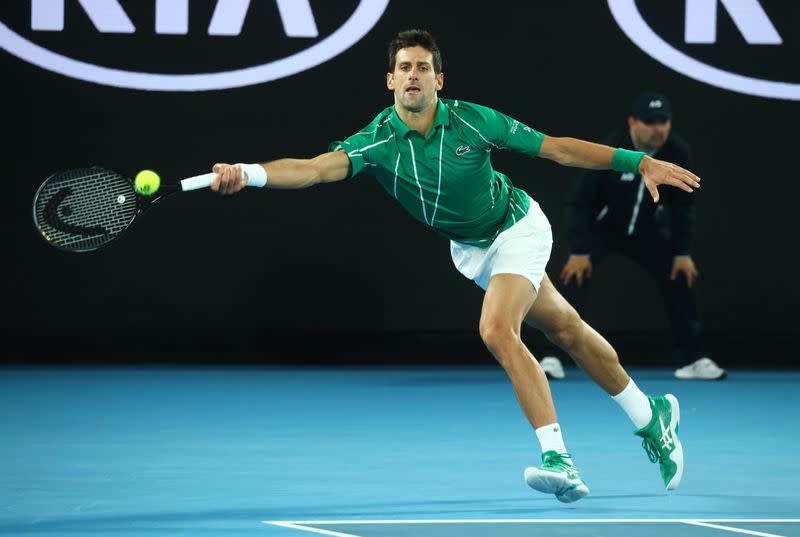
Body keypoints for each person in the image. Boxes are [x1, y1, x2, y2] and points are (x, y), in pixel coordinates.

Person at [209, 30, 699, 503]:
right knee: (566, 330)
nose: (413, 75)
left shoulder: (473, 121)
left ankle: (558, 459)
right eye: (404, 68)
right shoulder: (376, 142)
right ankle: (650, 414)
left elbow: (557, 148)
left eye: (423, 67)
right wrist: (248, 175)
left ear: (439, 80)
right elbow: (313, 168)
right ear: (391, 81)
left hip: (518, 227)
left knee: (496, 329)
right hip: (472, 250)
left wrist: (636, 162)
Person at [537, 92, 726, 382]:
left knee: (681, 276)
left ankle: (692, 359)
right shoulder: (610, 148)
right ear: (633, 122)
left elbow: (683, 205)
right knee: (572, 278)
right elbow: (580, 202)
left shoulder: (677, 151)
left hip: (647, 232)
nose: (658, 128)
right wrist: (579, 251)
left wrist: (682, 252)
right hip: (603, 230)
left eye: (663, 121)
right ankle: (553, 357)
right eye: (650, 122)